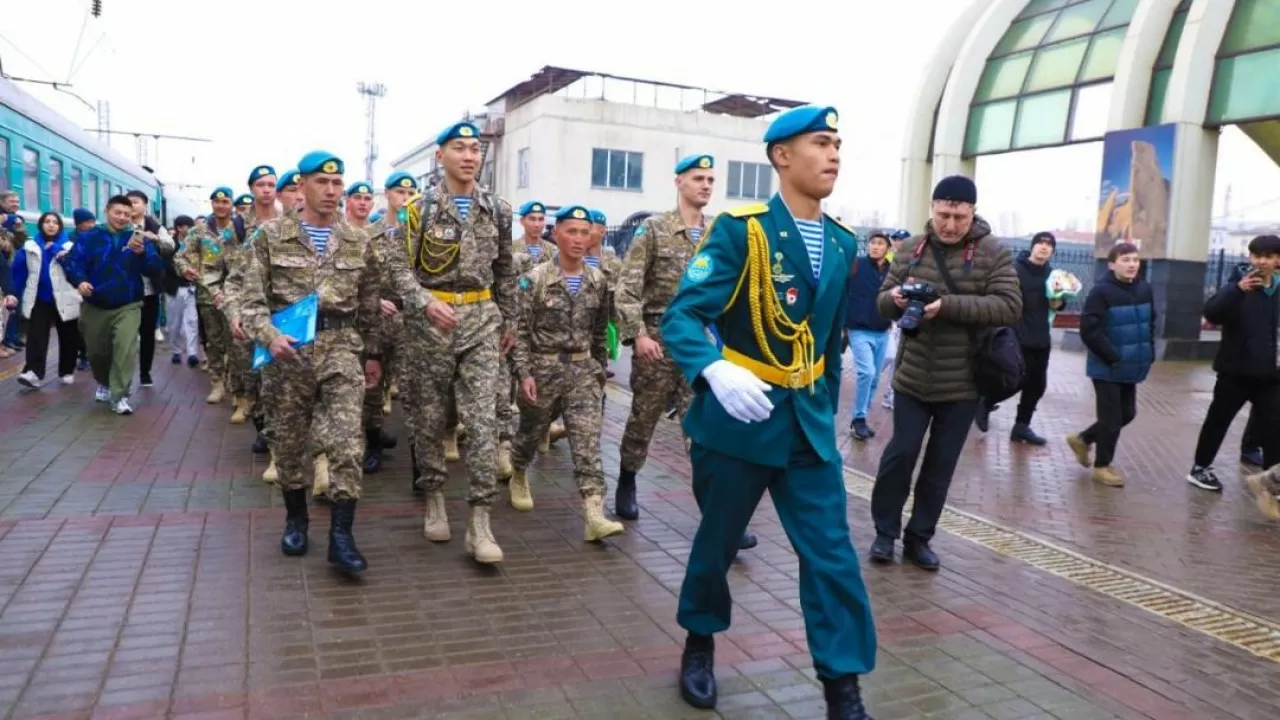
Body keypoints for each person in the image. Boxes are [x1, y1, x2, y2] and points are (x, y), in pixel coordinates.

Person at [660, 105, 875, 717]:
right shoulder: (740, 229)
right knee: (718, 545)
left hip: (807, 428)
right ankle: (699, 642)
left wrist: (828, 415)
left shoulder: (841, 241)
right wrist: (713, 368)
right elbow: (683, 314)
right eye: (820, 143)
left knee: (831, 555)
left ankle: (843, 686)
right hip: (739, 421)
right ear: (781, 156)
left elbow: (828, 343)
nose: (834, 154)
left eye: (838, 144)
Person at [239, 150, 383, 574]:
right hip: (289, 351)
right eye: (323, 182)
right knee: (288, 441)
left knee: (345, 441)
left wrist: (373, 354)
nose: (332, 191)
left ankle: (342, 535)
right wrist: (268, 335)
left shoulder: (359, 239)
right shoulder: (270, 236)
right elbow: (250, 301)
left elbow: (370, 302)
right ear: (301, 186)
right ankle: (296, 518)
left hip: (341, 346)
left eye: (338, 183)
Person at [381, 120, 517, 565]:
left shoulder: (497, 208)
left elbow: (505, 271)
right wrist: (422, 302)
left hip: (481, 318)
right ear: (440, 156)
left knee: (481, 420)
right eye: (459, 148)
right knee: (430, 415)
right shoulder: (418, 209)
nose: (469, 156)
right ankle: (435, 495)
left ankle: (481, 522)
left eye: (475, 149)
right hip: (431, 322)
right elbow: (398, 269)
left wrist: (509, 319)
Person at [869, 176, 1021, 571]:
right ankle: (885, 533)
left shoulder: (993, 253)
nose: (950, 225)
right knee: (899, 455)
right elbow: (883, 300)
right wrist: (896, 299)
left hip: (964, 382)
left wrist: (946, 305)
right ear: (932, 209)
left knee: (940, 465)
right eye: (942, 215)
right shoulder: (908, 250)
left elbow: (1009, 307)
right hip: (912, 378)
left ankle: (920, 539)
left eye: (958, 216)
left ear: (973, 212)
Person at [509, 205, 625, 542]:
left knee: (587, 440)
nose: (578, 239)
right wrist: (524, 374)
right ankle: (518, 470)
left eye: (584, 232)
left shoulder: (598, 280)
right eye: (571, 231)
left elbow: (601, 331)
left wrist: (600, 369)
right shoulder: (535, 280)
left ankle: (594, 513)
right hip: (542, 370)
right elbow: (520, 331)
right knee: (531, 432)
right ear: (556, 234)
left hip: (582, 371)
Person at [1187, 235, 1280, 492]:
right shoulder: (1237, 286)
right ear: (1250, 257)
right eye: (1257, 256)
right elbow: (1212, 312)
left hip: (1269, 374)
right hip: (1235, 370)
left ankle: (1273, 482)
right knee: (1219, 420)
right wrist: (1237, 290)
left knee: (1275, 425)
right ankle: (1200, 468)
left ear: (1277, 261)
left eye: (1268, 256)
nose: (1261, 261)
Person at [62, 194, 166, 415]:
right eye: (117, 213)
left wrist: (143, 255)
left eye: (127, 215)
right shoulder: (90, 237)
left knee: (125, 347)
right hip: (96, 303)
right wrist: (79, 282)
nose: (121, 218)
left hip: (128, 303)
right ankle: (104, 381)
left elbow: (155, 268)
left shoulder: (138, 238)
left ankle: (120, 396)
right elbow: (73, 263)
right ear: (107, 211)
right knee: (97, 352)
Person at [1066, 242, 1154, 487]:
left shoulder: (1144, 289)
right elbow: (1089, 331)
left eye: (1135, 260)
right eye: (1126, 260)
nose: (1132, 265)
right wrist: (1113, 356)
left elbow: (1150, 324)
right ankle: (1102, 467)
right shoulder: (1101, 292)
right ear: (1112, 264)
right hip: (1106, 366)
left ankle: (1083, 439)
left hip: (1132, 365)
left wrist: (1149, 352)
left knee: (1127, 413)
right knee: (1111, 418)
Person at [974, 231, 1062, 444]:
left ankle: (1021, 427)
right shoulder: (1015, 270)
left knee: (1037, 385)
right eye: (1040, 243)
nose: (1044, 247)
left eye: (1049, 245)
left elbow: (1055, 306)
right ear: (1032, 246)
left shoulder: (1053, 276)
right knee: (1014, 380)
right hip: (1017, 335)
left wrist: (1059, 295)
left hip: (1041, 337)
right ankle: (986, 402)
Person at [174, 188, 242, 406]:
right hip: (208, 295)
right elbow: (180, 256)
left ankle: (235, 385)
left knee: (236, 342)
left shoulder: (240, 228)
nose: (221, 205)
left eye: (225, 201)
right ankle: (217, 383)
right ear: (212, 204)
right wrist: (185, 269)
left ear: (231, 203)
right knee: (213, 343)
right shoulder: (199, 231)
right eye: (217, 201)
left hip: (235, 295)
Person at [11, 212, 81, 389]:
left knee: (68, 336)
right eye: (47, 222)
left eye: (55, 222)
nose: (51, 225)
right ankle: (33, 372)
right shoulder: (29, 248)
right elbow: (19, 274)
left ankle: (67, 370)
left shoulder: (69, 247)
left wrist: (58, 252)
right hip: (39, 298)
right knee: (36, 336)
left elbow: (77, 269)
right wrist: (13, 294)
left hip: (65, 298)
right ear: (41, 225)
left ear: (60, 226)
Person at [845, 231, 892, 440]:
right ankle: (859, 418)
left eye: (880, 243)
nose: (875, 246)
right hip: (858, 329)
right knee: (867, 372)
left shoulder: (892, 272)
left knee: (874, 378)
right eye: (872, 243)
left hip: (882, 331)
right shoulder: (856, 265)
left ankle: (862, 415)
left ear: (887, 249)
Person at [124, 190, 173, 388]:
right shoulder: (120, 223)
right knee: (124, 334)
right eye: (128, 203)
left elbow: (170, 245)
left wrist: (154, 239)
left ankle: (145, 372)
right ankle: (123, 373)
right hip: (124, 288)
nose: (131, 206)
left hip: (149, 288)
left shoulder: (154, 226)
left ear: (145, 205)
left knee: (146, 333)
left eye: (135, 202)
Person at [165, 215, 200, 368]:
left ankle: (192, 353)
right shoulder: (169, 245)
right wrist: (182, 272)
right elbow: (166, 266)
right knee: (174, 323)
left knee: (192, 321)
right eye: (188, 227)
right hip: (175, 288)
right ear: (179, 228)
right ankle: (176, 351)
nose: (191, 230)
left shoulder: (195, 244)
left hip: (192, 288)